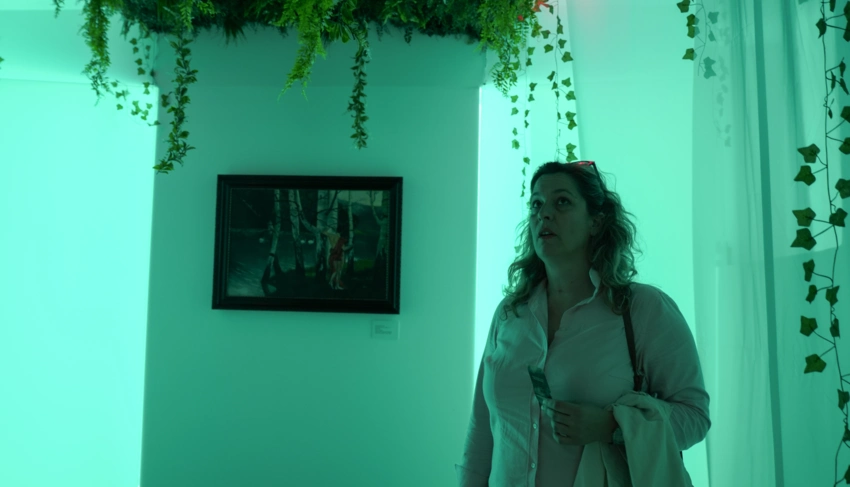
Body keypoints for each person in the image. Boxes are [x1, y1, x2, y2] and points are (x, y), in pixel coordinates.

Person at [456, 161, 711, 487]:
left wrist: (611, 426)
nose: (544, 214)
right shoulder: (509, 314)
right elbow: (481, 430)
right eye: (536, 204)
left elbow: (695, 417)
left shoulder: (643, 309)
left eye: (562, 201)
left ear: (596, 221)